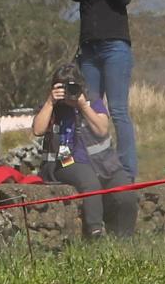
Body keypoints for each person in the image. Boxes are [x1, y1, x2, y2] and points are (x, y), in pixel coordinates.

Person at [65, 0, 138, 179]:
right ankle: (96, 165)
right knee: (90, 109)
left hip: (115, 47)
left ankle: (127, 170)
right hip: (89, 50)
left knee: (118, 110)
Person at [32, 62, 135, 238]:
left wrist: (83, 105)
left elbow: (102, 129)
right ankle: (95, 232)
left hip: (103, 161)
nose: (67, 93)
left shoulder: (92, 100)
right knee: (90, 182)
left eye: (72, 87)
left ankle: (125, 237)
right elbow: (38, 130)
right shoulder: (52, 106)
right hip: (66, 160)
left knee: (126, 192)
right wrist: (50, 102)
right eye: (62, 88)